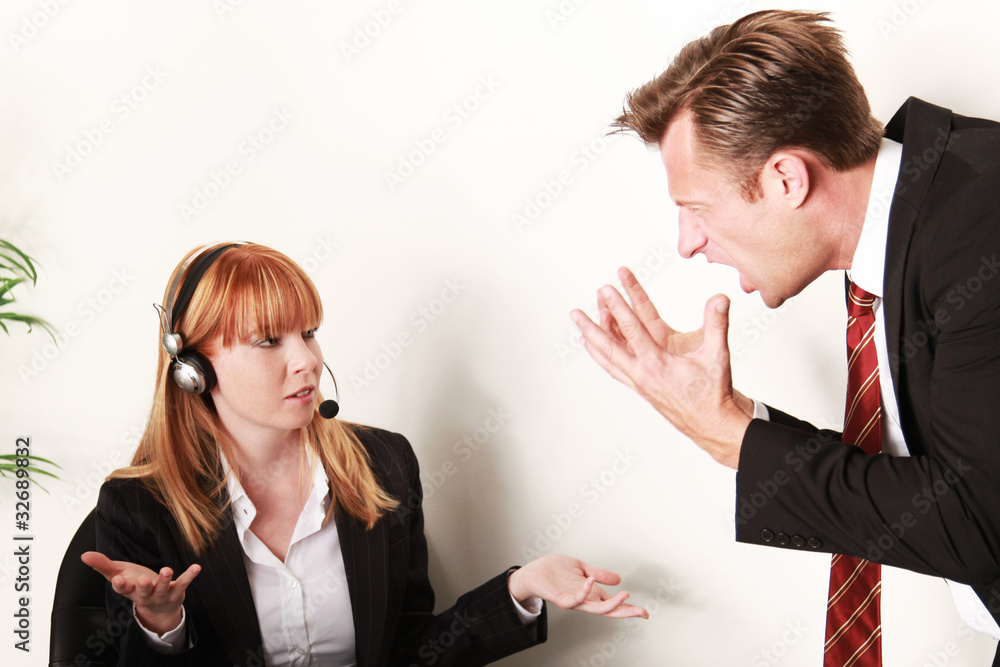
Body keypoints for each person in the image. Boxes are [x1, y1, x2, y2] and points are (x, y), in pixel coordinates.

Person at [570, 8, 1000, 665]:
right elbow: (935, 483)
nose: (687, 243)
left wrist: (728, 437)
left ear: (786, 179)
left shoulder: (980, 220)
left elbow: (978, 525)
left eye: (696, 209)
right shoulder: (912, 220)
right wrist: (733, 418)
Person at [83, 242, 647, 666]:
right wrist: (163, 624)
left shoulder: (383, 465)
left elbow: (410, 649)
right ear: (193, 369)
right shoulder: (138, 505)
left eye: (308, 333)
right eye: (269, 341)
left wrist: (520, 588)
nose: (306, 361)